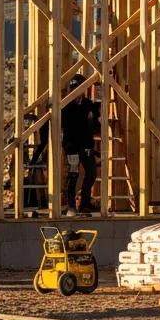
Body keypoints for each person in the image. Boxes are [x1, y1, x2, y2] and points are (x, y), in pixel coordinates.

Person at [62, 74, 98, 215]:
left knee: (91, 173)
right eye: (73, 88)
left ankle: (85, 204)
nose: (75, 90)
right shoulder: (66, 105)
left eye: (78, 87)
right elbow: (63, 125)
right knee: (73, 175)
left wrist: (92, 120)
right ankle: (71, 205)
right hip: (72, 146)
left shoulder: (89, 105)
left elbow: (96, 125)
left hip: (86, 145)